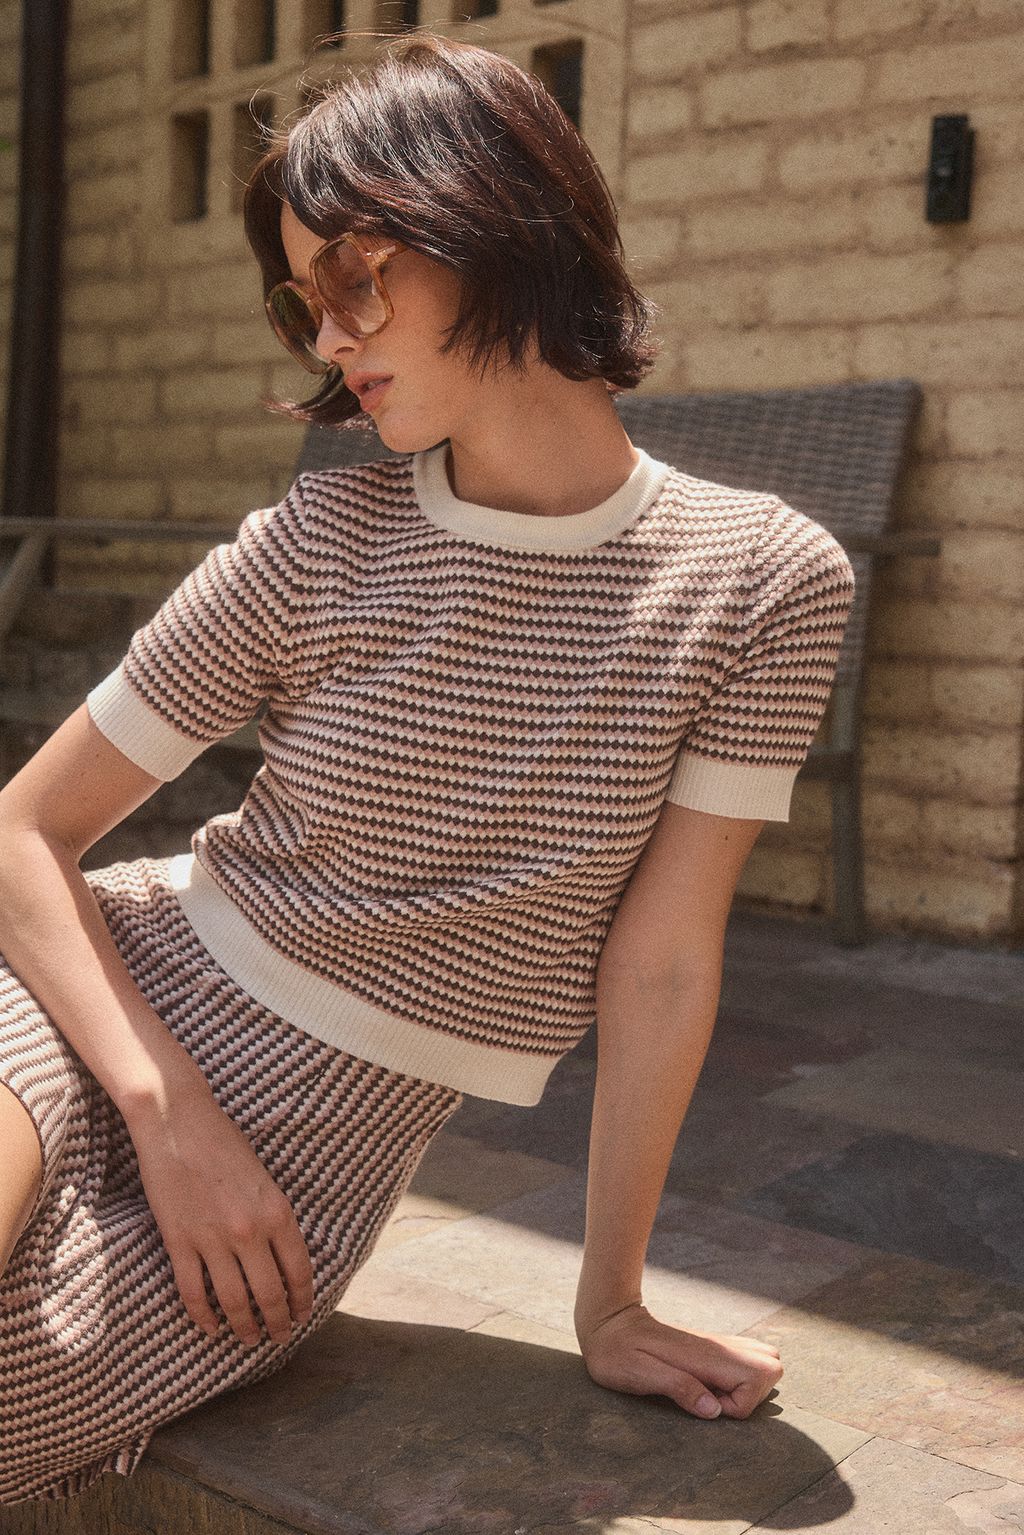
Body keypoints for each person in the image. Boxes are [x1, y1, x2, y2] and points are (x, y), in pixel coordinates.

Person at [0, 30, 855, 1505]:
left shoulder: (763, 582)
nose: (326, 339)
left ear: (491, 227)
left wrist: (610, 1302)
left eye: (353, 278)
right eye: (301, 301)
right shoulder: (319, 542)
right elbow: (22, 829)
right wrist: (168, 1117)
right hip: (100, 1017)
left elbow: (662, 962)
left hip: (316, 1163)